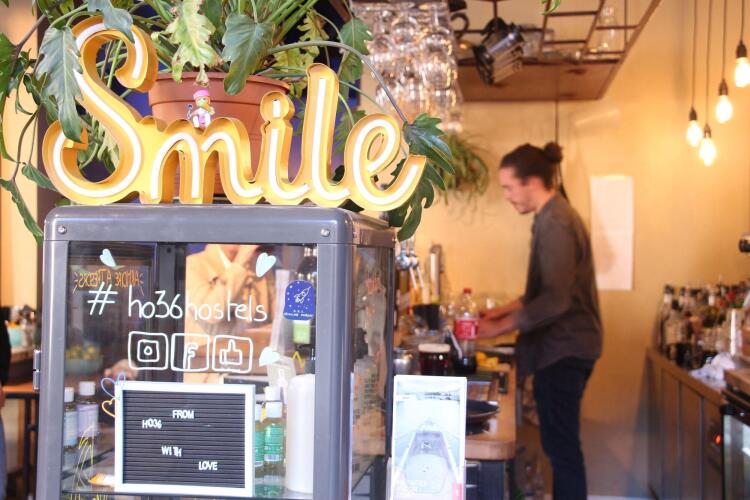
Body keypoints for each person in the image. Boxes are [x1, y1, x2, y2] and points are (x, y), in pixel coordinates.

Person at [479, 142, 602, 500]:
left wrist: (499, 327)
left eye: (508, 187)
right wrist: (499, 311)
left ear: (532, 182)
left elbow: (556, 299)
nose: (506, 196)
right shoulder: (551, 216)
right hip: (567, 348)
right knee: (560, 446)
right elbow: (544, 289)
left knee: (562, 451)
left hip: (564, 349)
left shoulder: (556, 222)